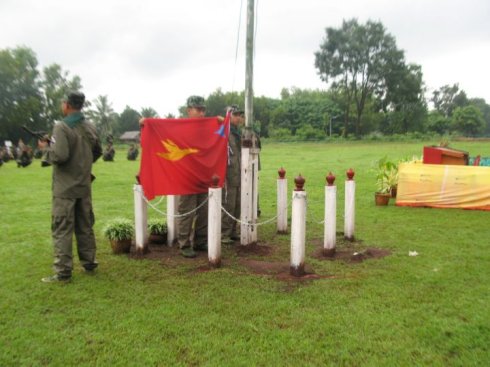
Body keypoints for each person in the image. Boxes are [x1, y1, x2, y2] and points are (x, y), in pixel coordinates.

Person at [38, 91, 102, 283]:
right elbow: (97, 151)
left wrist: (45, 149)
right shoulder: (90, 126)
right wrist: (83, 165)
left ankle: (63, 272)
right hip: (83, 185)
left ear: (66, 105)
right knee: (85, 226)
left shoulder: (61, 127)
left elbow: (59, 156)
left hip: (65, 189)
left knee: (62, 228)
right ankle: (89, 261)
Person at [177, 95, 211, 258]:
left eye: (203, 109)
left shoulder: (206, 128)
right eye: (198, 109)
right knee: (187, 212)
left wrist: (222, 122)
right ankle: (184, 243)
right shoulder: (180, 127)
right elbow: (161, 129)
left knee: (204, 211)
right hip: (186, 177)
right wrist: (146, 124)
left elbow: (219, 135)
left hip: (203, 176)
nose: (202, 113)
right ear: (189, 110)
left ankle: (201, 241)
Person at [221, 106, 244, 244]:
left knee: (237, 204)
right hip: (227, 175)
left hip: (238, 173)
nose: (238, 118)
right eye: (235, 115)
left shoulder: (237, 133)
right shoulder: (224, 131)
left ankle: (233, 231)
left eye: (239, 115)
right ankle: (224, 234)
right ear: (229, 115)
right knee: (228, 204)